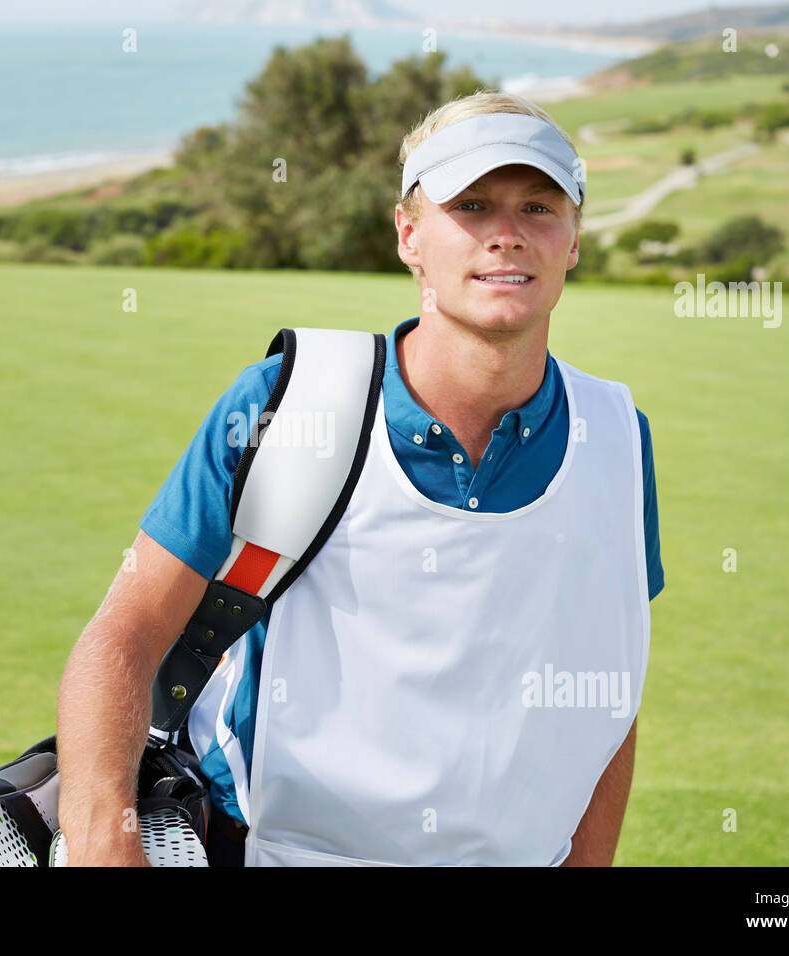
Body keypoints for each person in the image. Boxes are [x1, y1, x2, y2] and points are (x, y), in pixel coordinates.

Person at [56, 90, 663, 867]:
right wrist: (104, 839)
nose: (507, 236)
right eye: (472, 205)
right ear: (410, 234)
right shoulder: (287, 400)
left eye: (539, 207)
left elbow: (606, 687)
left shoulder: (614, 434)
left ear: (573, 239)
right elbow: (127, 630)